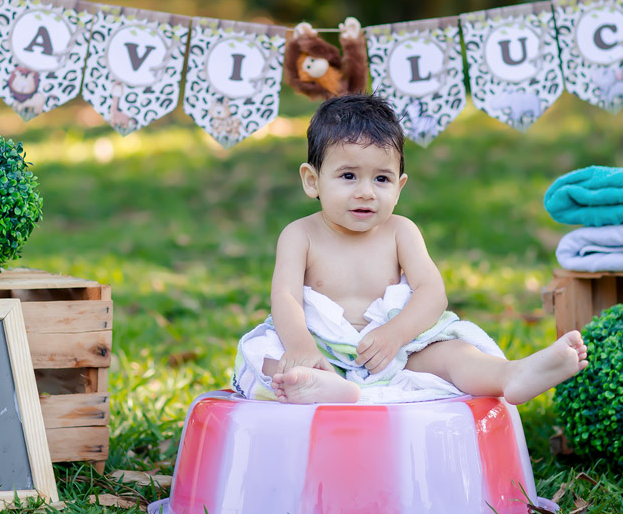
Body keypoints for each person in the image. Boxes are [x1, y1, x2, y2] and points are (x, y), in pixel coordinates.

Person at [232, 93, 588, 405]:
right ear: (313, 181)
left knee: (453, 355)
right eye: (348, 176)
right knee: (261, 355)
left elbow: (433, 292)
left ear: (399, 186)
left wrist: (396, 333)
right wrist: (301, 348)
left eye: (381, 179)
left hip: (396, 350)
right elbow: (286, 298)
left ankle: (511, 375)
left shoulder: (401, 231)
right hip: (321, 348)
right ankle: (317, 384)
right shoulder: (300, 235)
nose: (366, 192)